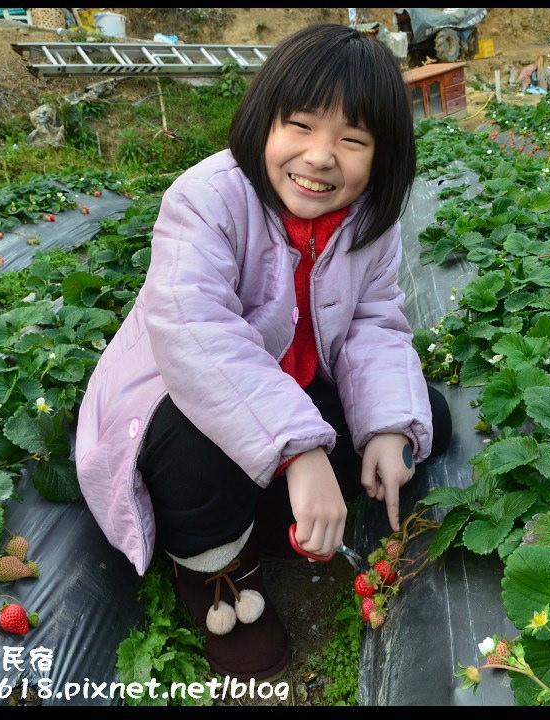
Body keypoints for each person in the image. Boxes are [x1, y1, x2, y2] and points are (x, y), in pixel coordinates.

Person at [74, 23, 452, 681]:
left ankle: (274, 520)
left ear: (382, 156)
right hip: (177, 399)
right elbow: (199, 339)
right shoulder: (206, 197)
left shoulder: (369, 222)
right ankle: (216, 574)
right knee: (197, 451)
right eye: (301, 126)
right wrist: (303, 452)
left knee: (425, 424)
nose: (321, 156)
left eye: (352, 140)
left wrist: (388, 426)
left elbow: (374, 328)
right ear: (262, 121)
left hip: (287, 391)